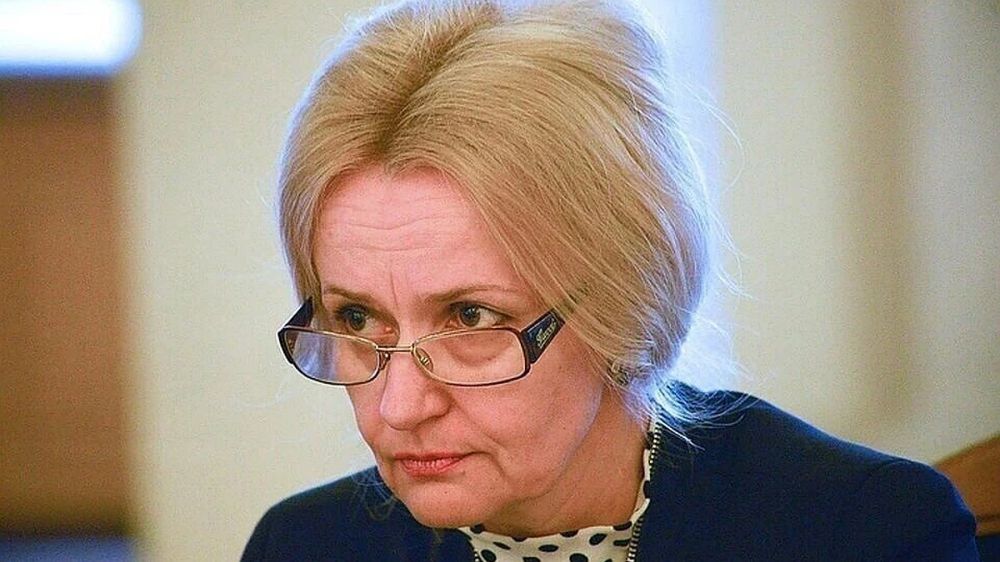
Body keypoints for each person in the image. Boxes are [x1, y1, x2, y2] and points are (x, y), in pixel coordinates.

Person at [242, 0, 978, 560]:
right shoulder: (303, 546)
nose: (399, 406)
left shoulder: (866, 530)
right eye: (357, 318)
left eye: (469, 317)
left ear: (624, 303)